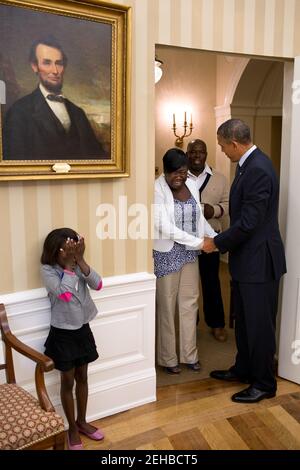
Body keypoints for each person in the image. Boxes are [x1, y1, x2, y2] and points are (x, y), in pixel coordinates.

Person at [203, 119, 286, 403]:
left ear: (234, 144)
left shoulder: (259, 169)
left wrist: (216, 241)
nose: (223, 151)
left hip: (259, 263)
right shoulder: (247, 165)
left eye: (223, 146)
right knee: (244, 322)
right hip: (245, 261)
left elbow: (249, 223)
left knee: (260, 325)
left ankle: (263, 383)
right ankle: (243, 369)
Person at [154, 148, 217, 374]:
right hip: (167, 253)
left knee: (189, 303)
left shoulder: (190, 183)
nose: (179, 177)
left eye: (183, 172)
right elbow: (164, 226)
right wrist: (200, 243)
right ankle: (168, 358)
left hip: (190, 253)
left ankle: (190, 355)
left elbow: (198, 217)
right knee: (167, 307)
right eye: (175, 173)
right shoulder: (157, 188)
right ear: (165, 171)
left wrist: (215, 238)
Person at [41, 228, 104, 450]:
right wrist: (68, 267)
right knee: (67, 381)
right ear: (56, 251)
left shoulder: (78, 265)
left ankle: (82, 421)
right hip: (63, 334)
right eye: (67, 250)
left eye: (74, 248)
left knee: (83, 377)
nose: (71, 252)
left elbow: (98, 284)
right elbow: (65, 295)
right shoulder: (48, 271)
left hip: (82, 329)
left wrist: (81, 260)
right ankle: (72, 428)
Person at [3, 36, 107, 160]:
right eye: (47, 63)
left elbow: (97, 158)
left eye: (59, 63)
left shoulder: (78, 113)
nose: (55, 70)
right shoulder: (18, 112)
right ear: (34, 66)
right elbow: (14, 162)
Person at [187, 138, 229, 342]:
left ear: (206, 154)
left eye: (200, 152)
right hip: (185, 241)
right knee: (189, 285)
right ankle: (190, 325)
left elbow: (228, 204)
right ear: (187, 154)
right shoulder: (178, 177)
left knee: (211, 282)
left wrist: (215, 210)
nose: (197, 155)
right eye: (193, 152)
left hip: (210, 239)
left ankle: (217, 324)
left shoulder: (220, 179)